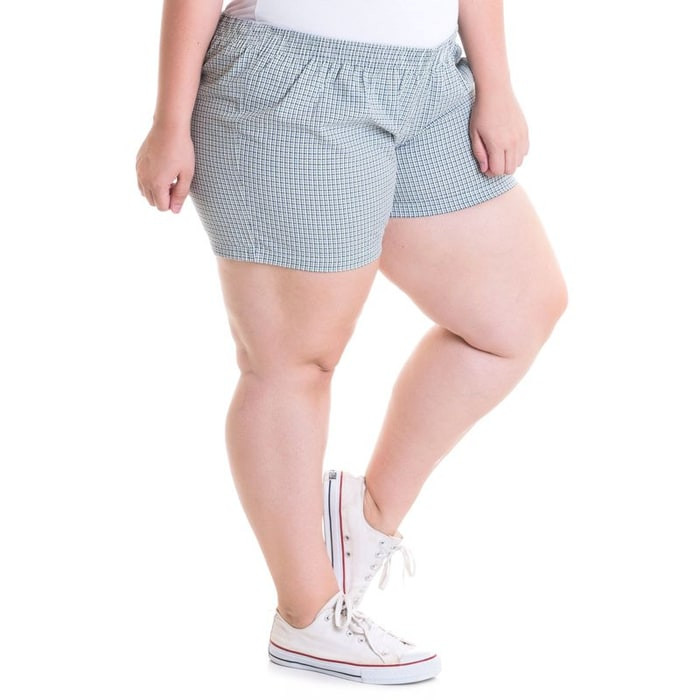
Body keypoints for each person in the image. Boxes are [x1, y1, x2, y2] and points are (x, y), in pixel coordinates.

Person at [135, 0, 568, 685]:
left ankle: (362, 517)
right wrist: (170, 120)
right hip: (290, 83)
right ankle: (306, 615)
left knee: (516, 314)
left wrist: (497, 84)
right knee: (292, 363)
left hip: (429, 83)